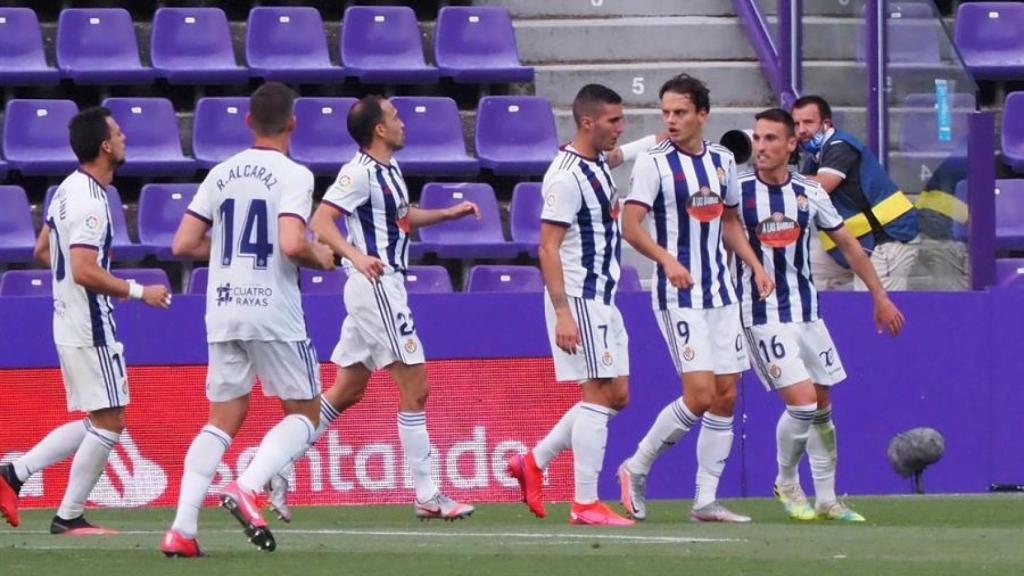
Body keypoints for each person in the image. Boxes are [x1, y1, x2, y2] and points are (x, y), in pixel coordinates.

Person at [278, 95, 480, 521]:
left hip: (376, 287)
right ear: (379, 130)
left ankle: (276, 466)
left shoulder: (389, 171)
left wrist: (448, 213)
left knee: (346, 391)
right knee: (416, 387)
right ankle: (427, 494)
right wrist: (354, 254)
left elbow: (401, 219)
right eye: (394, 117)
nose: (402, 122)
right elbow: (321, 222)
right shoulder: (359, 173)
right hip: (377, 287)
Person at [161, 82, 335, 556]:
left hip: (221, 307)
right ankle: (249, 485)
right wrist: (322, 257)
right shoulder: (294, 174)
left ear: (247, 122)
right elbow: (292, 242)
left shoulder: (221, 173)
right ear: (293, 123)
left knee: (222, 419)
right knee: (306, 412)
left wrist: (227, 254)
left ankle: (182, 529)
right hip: (272, 311)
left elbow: (181, 244)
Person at [0, 107, 171, 534]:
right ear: (105, 146)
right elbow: (82, 269)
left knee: (98, 420)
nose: (124, 136)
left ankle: (14, 474)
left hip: (68, 321)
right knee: (111, 422)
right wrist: (138, 291)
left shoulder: (66, 190)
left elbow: (44, 250)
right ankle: (68, 515)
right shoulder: (91, 200)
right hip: (90, 325)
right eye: (117, 132)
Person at [616, 73, 774, 523]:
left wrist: (756, 265)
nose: (671, 120)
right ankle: (636, 466)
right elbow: (631, 226)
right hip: (678, 294)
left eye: (680, 112)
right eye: (666, 112)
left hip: (722, 294)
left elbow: (729, 223)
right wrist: (666, 259)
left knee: (726, 395)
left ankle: (704, 501)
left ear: (702, 114)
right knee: (700, 393)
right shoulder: (654, 162)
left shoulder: (723, 160)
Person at [738, 108, 905, 521]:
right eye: (757, 138)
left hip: (807, 312)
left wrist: (878, 296)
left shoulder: (809, 192)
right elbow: (718, 233)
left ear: (792, 144)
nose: (762, 147)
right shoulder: (737, 192)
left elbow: (848, 243)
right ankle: (786, 481)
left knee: (824, 405)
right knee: (804, 403)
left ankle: (828, 498)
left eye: (771, 139)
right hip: (761, 313)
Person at [506, 84, 634, 526]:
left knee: (617, 395)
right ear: (587, 123)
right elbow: (547, 247)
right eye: (613, 121)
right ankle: (584, 503)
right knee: (597, 394)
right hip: (579, 297)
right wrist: (563, 311)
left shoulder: (596, 160)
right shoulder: (564, 176)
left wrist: (656, 142)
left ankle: (534, 461)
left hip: (604, 296)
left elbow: (618, 156)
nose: (621, 128)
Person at [791, 95, 919, 291]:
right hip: (851, 245)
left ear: (826, 123)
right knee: (800, 278)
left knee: (876, 311)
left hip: (887, 241)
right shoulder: (814, 159)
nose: (801, 130)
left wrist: (779, 176)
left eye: (808, 122)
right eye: (796, 124)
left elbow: (822, 185)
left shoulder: (840, 146)